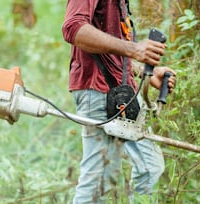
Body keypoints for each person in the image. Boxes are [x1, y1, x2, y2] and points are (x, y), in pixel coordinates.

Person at [62, 0, 176, 203]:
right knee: (99, 182)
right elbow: (74, 27)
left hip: (121, 94)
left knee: (150, 167)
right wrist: (134, 49)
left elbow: (112, 54)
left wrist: (145, 73)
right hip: (97, 91)